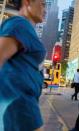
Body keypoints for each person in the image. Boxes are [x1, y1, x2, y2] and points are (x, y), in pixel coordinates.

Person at [0, 0, 46, 131]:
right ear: (27, 2)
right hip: (18, 105)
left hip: (25, 104)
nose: (45, 9)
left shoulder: (26, 28)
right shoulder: (19, 24)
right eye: (42, 4)